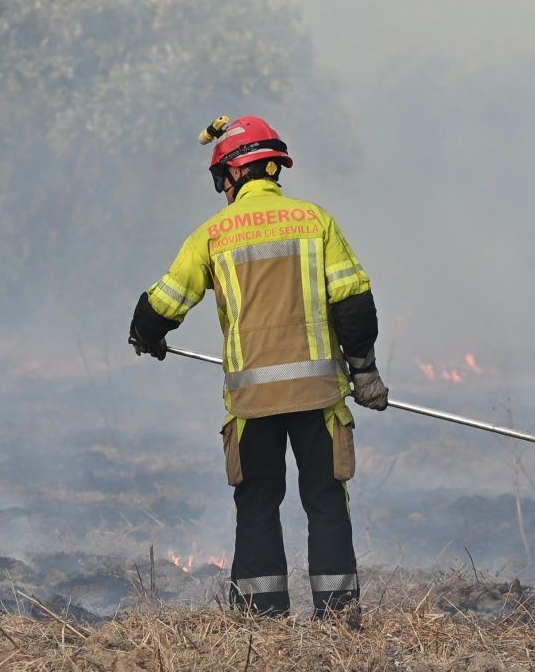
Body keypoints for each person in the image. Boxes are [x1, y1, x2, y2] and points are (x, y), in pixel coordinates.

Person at [129, 115, 389, 620]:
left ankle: (259, 616)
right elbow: (354, 301)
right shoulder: (316, 221)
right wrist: (364, 371)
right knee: (326, 503)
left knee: (257, 507)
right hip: (319, 397)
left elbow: (165, 301)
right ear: (272, 168)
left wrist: (147, 336)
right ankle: (338, 617)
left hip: (253, 403)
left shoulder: (214, 234)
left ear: (232, 174)